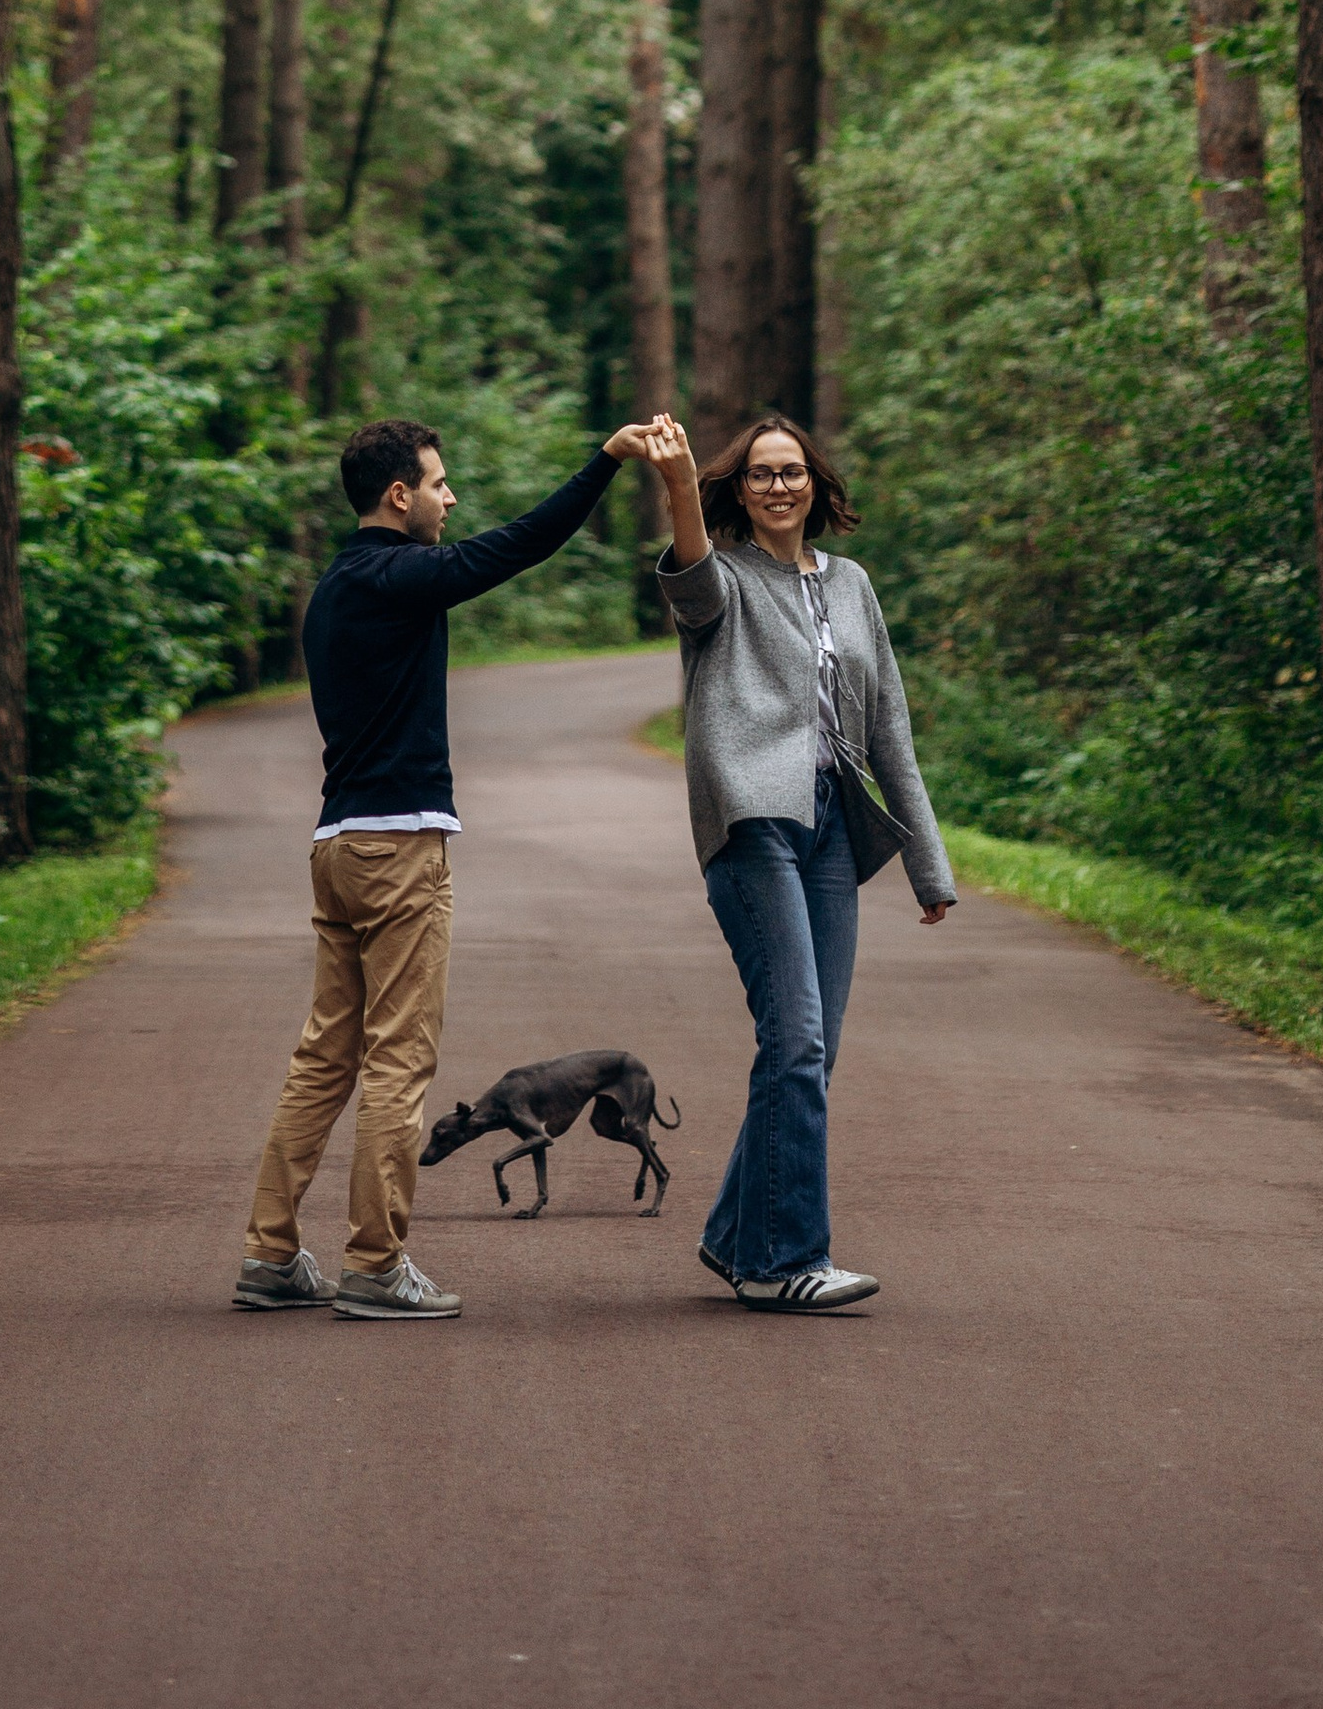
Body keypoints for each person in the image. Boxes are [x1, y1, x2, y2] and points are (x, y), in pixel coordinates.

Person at [234, 410, 655, 1323]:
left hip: (337, 847)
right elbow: (516, 547)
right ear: (399, 495)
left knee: (325, 1060)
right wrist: (605, 462)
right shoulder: (398, 576)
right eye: (437, 482)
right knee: (399, 1063)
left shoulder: (338, 589)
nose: (449, 497)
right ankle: (377, 1266)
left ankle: (270, 1256)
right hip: (396, 850)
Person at [643, 408, 953, 1312]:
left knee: (811, 1053)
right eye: (761, 474)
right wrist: (676, 486)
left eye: (793, 471)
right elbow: (691, 582)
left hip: (831, 830)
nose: (780, 485)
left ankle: (736, 1236)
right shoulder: (725, 582)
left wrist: (927, 865)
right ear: (738, 491)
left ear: (816, 484)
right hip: (753, 825)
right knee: (796, 1039)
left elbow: (888, 724)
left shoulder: (853, 585)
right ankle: (785, 1262)